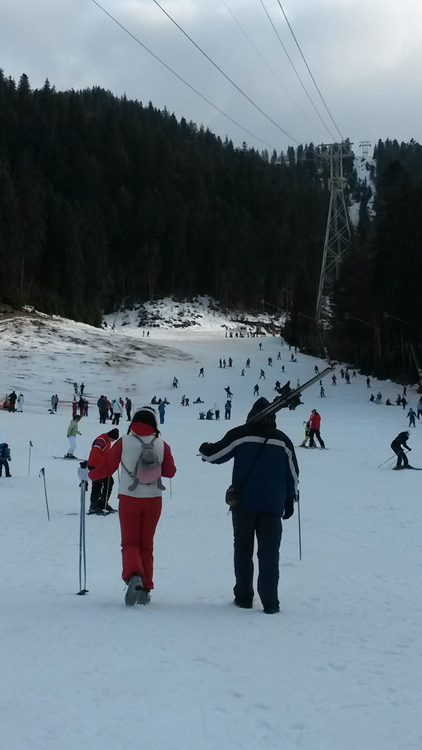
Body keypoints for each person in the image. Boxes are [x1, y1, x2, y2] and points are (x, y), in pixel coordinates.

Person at [199, 397, 298, 614]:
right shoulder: (283, 441)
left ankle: (244, 597)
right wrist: (290, 499)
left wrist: (204, 449)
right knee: (270, 553)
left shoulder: (241, 434)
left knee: (243, 550)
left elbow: (216, 454)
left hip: (244, 504)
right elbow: (293, 474)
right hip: (273, 506)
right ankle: (271, 603)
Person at [84, 407, 176, 605]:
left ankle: (134, 576)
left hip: (129, 498)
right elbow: (170, 471)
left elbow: (107, 469)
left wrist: (88, 475)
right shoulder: (162, 444)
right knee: (147, 544)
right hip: (154, 499)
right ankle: (146, 589)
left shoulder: (123, 442)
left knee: (130, 543)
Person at [87, 429, 120, 514]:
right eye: (112, 439)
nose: (112, 441)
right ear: (110, 436)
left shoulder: (107, 440)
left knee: (109, 482)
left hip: (102, 467)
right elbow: (95, 454)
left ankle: (103, 503)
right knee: (97, 485)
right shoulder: (101, 441)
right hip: (95, 465)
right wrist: (105, 462)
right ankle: (94, 506)